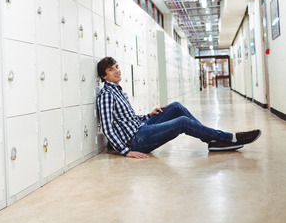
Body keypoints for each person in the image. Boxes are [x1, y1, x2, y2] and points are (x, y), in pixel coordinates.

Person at [96, 57, 262, 159]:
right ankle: (228, 138)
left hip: (141, 128)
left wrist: (148, 115)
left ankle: (213, 140)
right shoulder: (106, 95)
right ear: (104, 76)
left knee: (175, 106)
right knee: (182, 122)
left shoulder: (119, 91)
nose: (117, 71)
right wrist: (125, 151)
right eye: (112, 69)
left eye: (117, 67)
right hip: (136, 140)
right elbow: (108, 128)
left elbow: (127, 120)